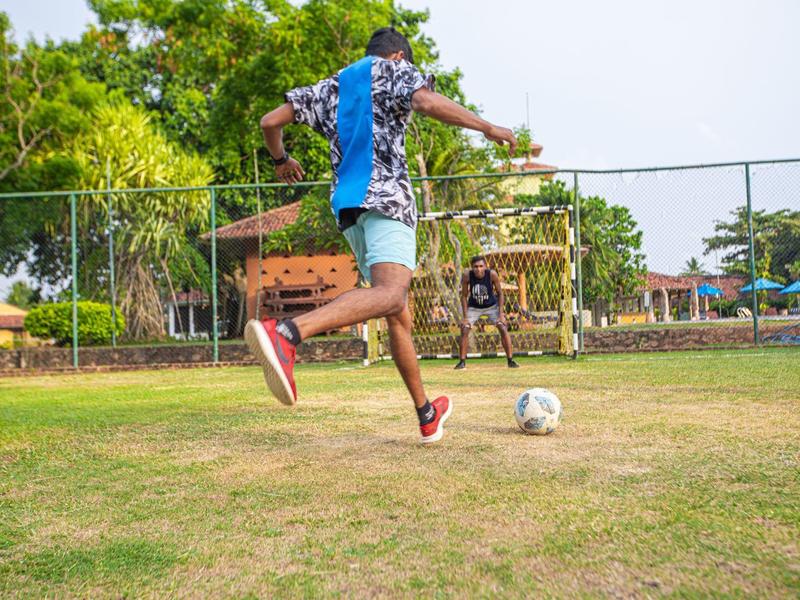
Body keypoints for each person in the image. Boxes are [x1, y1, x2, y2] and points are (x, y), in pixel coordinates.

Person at [246, 27, 517, 444]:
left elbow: (270, 122)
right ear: (399, 57)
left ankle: (426, 413)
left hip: (349, 208)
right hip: (388, 199)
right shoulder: (392, 69)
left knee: (397, 312)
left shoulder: (331, 85)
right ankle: (285, 334)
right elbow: (425, 100)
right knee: (391, 295)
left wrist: (281, 159)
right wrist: (486, 127)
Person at [454, 255, 520, 370]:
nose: (478, 269)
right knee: (464, 329)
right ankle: (462, 362)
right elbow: (464, 296)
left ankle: (510, 360)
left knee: (503, 327)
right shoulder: (467, 276)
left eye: (481, 266)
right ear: (471, 267)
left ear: (485, 266)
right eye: (475, 267)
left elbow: (500, 293)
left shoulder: (492, 274)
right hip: (474, 307)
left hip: (491, 306)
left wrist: (501, 314)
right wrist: (465, 317)